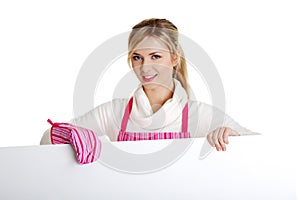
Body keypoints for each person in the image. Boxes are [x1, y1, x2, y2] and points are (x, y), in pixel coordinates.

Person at [41, 18, 254, 161]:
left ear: (174, 58)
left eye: (155, 56)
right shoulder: (114, 113)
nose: (145, 67)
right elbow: (47, 139)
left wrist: (230, 135)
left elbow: (258, 146)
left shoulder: (200, 115)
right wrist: (68, 134)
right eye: (137, 57)